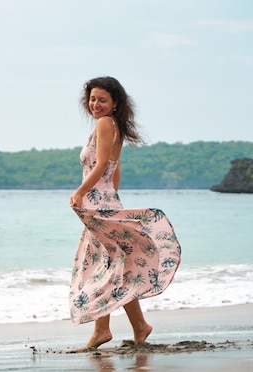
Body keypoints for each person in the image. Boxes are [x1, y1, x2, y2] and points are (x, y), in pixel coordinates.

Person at [69, 76, 181, 351]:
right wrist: (110, 196)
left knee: (106, 266)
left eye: (102, 99)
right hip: (105, 201)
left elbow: (103, 163)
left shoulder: (105, 123)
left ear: (115, 103)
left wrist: (81, 191)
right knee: (115, 265)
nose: (96, 104)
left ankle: (104, 331)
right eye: (93, 99)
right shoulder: (112, 125)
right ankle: (131, 327)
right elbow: (115, 169)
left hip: (98, 202)